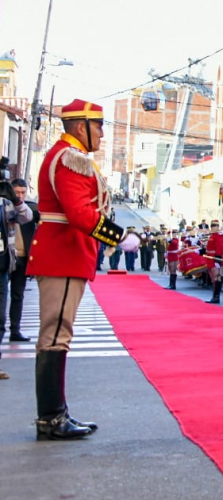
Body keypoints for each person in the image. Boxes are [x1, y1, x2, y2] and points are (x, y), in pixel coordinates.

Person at [27, 99, 140, 438]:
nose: (102, 134)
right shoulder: (70, 159)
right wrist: (118, 236)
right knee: (55, 334)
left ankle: (55, 413)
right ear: (81, 127)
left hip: (67, 254)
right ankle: (50, 417)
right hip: (63, 254)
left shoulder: (70, 158)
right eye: (99, 126)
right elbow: (78, 214)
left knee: (58, 334)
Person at [0, 174, 34, 378]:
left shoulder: (7, 205)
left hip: (4, 264)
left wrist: (15, 199)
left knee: (1, 317)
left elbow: (26, 217)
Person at [8, 178, 40, 343]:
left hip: (22, 258)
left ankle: (15, 329)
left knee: (17, 296)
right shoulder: (4, 206)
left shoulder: (29, 209)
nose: (20, 196)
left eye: (23, 192)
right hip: (5, 257)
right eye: (17, 192)